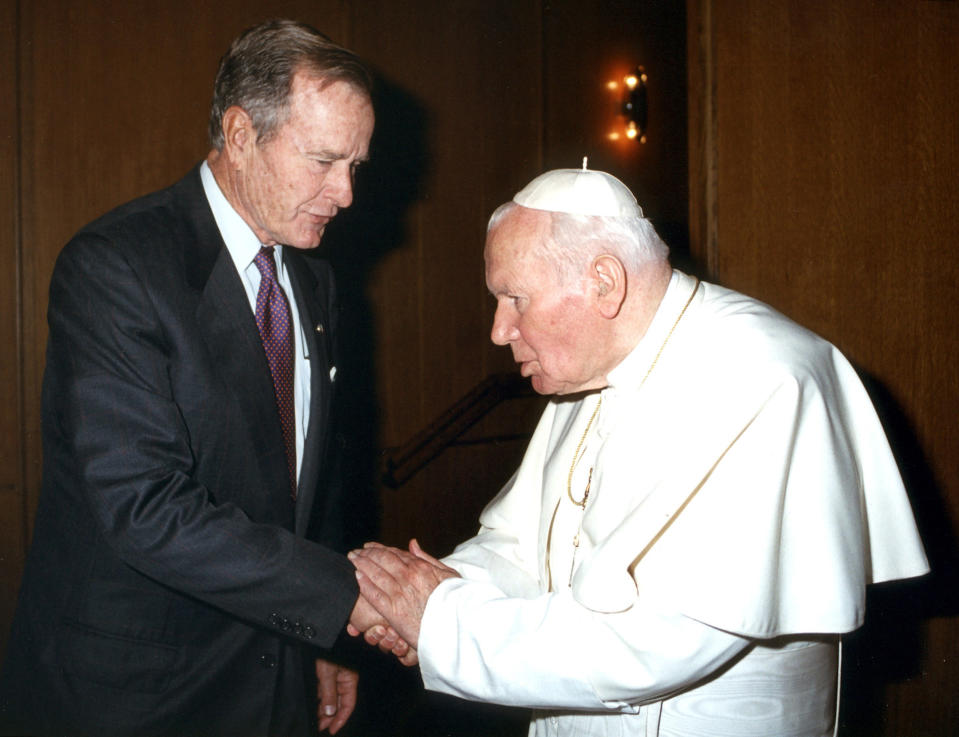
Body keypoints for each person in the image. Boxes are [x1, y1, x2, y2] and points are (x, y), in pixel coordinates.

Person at [349, 164, 930, 736]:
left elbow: (662, 639)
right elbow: (525, 545)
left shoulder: (767, 377)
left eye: (515, 298)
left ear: (604, 282)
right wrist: (439, 587)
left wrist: (441, 620)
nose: (500, 330)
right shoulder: (587, 369)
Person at [0, 18, 397, 737]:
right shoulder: (115, 267)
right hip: (135, 696)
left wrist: (319, 635)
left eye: (355, 166)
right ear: (241, 135)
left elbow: (314, 476)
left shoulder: (315, 280)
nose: (345, 192)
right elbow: (143, 504)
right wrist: (342, 598)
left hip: (272, 679)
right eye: (323, 160)